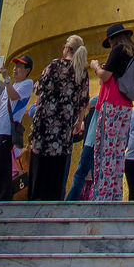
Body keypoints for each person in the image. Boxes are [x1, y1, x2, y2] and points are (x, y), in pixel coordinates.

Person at [28, 36, 89, 201]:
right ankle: (52, 201)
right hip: (64, 126)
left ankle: (35, 199)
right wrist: (78, 121)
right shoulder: (82, 72)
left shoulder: (55, 65)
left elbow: (39, 88)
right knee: (57, 167)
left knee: (40, 162)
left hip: (44, 124)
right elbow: (83, 102)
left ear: (67, 49)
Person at [89, 23, 134, 201]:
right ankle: (115, 194)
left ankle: (102, 195)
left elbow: (105, 75)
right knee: (118, 152)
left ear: (112, 40)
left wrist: (95, 66)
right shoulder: (132, 53)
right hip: (126, 106)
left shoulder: (117, 51)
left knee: (105, 150)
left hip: (112, 104)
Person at [0, 55, 33, 200]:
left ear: (27, 70)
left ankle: (3, 198)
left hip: (7, 131)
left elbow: (14, 97)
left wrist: (6, 77)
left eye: (20, 67)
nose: (15, 70)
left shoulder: (27, 84)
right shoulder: (10, 86)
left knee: (3, 167)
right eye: (15, 67)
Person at [65, 95, 98, 201]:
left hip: (92, 142)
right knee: (83, 175)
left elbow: (90, 102)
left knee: (81, 174)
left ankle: (71, 201)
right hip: (91, 141)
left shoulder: (101, 98)